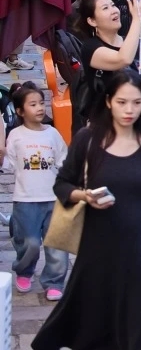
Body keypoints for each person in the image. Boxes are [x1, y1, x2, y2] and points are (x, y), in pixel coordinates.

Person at [32, 72, 141, 350]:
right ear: (109, 101)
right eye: (122, 102)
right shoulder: (87, 139)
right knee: (94, 324)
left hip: (138, 249)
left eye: (136, 103)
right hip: (96, 249)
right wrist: (84, 196)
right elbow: (62, 184)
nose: (129, 110)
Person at [4, 83, 69, 300]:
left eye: (41, 103)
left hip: (53, 199)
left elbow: (63, 161)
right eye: (33, 104)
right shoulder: (16, 135)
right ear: (20, 111)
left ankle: (54, 282)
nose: (40, 108)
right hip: (25, 200)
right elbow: (9, 165)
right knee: (29, 242)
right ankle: (24, 271)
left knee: (56, 244)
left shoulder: (52, 134)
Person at [71, 0, 141, 130]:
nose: (114, 10)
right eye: (105, 8)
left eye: (113, 5)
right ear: (92, 21)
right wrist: (137, 19)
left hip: (137, 125)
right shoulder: (90, 48)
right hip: (105, 128)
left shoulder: (133, 43)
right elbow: (123, 59)